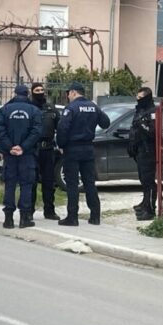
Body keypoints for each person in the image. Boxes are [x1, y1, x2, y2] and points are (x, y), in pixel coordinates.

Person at [55, 82, 110, 226]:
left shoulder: (71, 108)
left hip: (72, 149)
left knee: (72, 184)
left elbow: (62, 128)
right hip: (88, 148)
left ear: (73, 92)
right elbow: (106, 123)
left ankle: (72, 217)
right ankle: (95, 216)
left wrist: (61, 145)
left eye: (68, 93)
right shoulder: (93, 107)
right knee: (89, 183)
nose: (68, 96)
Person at [0, 85, 42, 229]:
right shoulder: (34, 110)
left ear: (15, 94)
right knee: (26, 185)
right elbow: (37, 131)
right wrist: (23, 147)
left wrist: (10, 147)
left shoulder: (5, 110)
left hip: (10, 155)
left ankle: (8, 219)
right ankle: (24, 218)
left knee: (10, 185)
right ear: (28, 94)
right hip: (27, 154)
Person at [30, 82, 61, 220]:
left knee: (49, 182)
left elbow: (60, 127)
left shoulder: (51, 108)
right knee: (31, 181)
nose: (40, 92)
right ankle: (29, 211)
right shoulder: (29, 108)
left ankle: (49, 211)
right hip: (33, 149)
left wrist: (61, 144)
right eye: (37, 90)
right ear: (32, 92)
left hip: (48, 149)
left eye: (42, 90)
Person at [128, 87, 157, 221]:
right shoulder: (140, 111)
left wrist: (142, 125)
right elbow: (135, 129)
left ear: (146, 98)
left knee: (148, 181)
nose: (138, 100)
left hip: (148, 150)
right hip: (140, 150)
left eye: (140, 98)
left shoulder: (153, 112)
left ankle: (150, 209)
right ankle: (145, 203)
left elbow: (152, 132)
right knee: (143, 179)